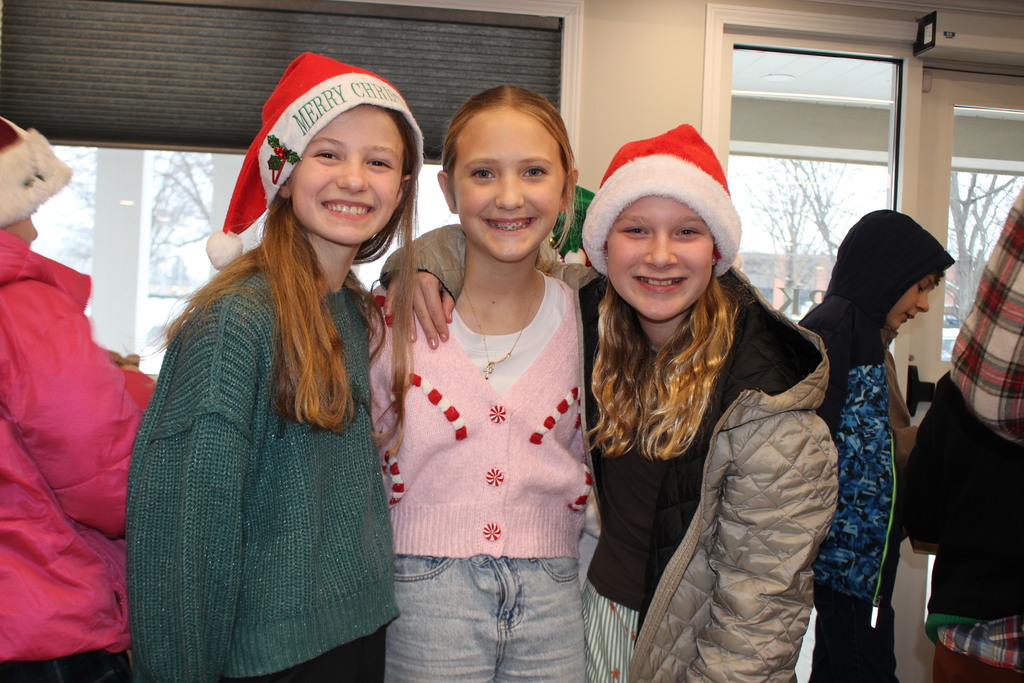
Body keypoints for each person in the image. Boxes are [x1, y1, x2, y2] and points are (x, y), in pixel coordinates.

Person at [390, 124, 839, 682]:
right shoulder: (591, 318)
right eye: (636, 230)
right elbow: (502, 247)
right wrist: (423, 264)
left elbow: (761, 615)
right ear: (604, 247)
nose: (660, 255)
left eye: (687, 231)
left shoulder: (765, 404)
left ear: (717, 248)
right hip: (588, 623)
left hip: (688, 650)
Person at [126, 52, 422, 682]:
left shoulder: (356, 312)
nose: (354, 179)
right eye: (327, 154)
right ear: (283, 175)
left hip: (358, 636)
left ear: (401, 190)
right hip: (269, 661)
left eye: (378, 162)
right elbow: (182, 536)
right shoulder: (236, 323)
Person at [372, 85, 590, 681]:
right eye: (484, 173)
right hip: (419, 593)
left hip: (556, 592)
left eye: (534, 172)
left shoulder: (591, 323)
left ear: (567, 187)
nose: (509, 196)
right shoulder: (388, 323)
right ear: (448, 189)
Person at [0, 117, 141, 681]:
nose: (33, 232)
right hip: (41, 618)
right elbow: (100, 470)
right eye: (25, 209)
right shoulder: (25, 307)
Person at [800, 210, 954, 682]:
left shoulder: (865, 335)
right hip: (849, 559)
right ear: (889, 272)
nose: (923, 304)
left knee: (839, 664)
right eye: (920, 287)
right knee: (866, 667)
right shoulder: (837, 331)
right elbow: (812, 446)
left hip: (860, 558)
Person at [904, 187, 1024, 683]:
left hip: (979, 626)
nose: (925, 305)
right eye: (921, 288)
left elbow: (923, 512)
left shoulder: (960, 394)